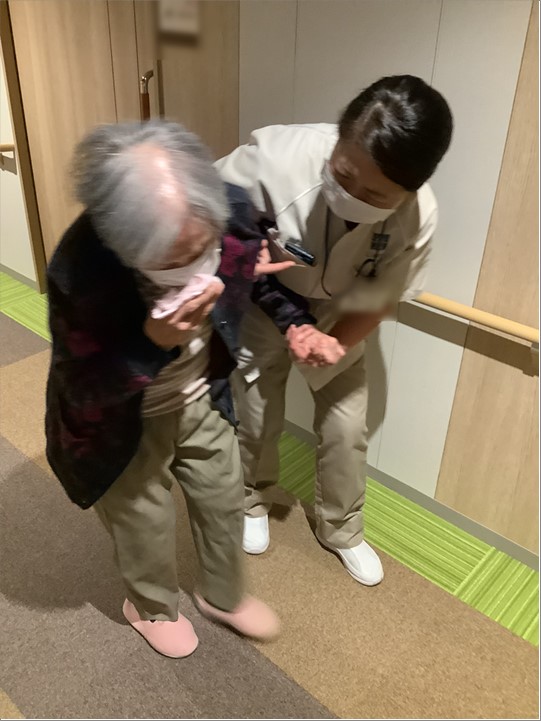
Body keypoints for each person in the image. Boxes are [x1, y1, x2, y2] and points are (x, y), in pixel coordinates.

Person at [45, 120, 305, 659]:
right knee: (145, 522)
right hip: (120, 423)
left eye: (202, 248)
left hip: (201, 391)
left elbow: (243, 264)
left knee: (224, 492)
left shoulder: (226, 205)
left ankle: (224, 595)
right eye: (171, 263)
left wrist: (290, 316)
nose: (194, 269)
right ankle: (150, 607)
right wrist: (151, 343)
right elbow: (83, 390)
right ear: (122, 247)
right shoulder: (82, 270)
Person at [215, 75, 453, 586]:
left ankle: (341, 529)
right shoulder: (274, 158)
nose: (351, 196)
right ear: (338, 139)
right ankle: (251, 499)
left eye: (375, 194)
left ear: (409, 191)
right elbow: (204, 205)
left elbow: (381, 295)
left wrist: (335, 340)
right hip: (266, 298)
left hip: (344, 308)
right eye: (343, 175)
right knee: (255, 408)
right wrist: (237, 262)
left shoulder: (419, 216)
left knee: (347, 426)